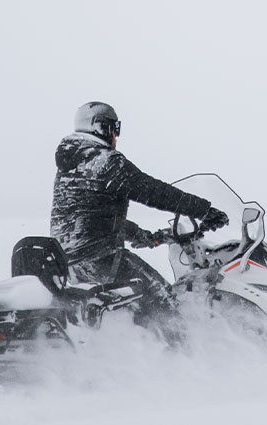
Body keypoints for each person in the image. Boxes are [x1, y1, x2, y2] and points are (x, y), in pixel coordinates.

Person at [50, 101, 228, 345]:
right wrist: (204, 210)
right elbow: (151, 190)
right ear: (102, 128)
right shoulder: (106, 161)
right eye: (115, 129)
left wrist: (145, 236)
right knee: (165, 303)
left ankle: (138, 349)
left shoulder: (71, 166)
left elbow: (93, 217)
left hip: (69, 262)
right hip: (102, 259)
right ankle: (181, 358)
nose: (115, 136)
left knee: (137, 309)